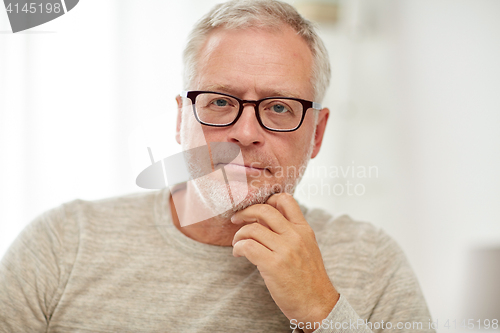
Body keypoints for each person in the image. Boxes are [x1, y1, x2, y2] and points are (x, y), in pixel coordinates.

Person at [0, 0, 434, 332]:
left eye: (280, 107)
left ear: (316, 134)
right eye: (221, 102)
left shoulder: (373, 263)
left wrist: (319, 310)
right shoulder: (61, 244)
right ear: (180, 119)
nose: (246, 132)